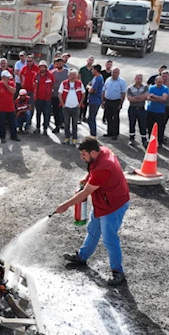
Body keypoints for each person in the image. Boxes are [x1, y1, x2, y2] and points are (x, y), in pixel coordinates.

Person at [56, 137, 130, 287]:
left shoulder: (103, 167)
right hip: (102, 202)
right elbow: (92, 172)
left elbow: (84, 194)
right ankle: (82, 257)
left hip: (113, 206)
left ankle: (118, 272)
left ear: (93, 152)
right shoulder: (103, 151)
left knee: (109, 239)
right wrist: (87, 177)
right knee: (93, 230)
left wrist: (65, 205)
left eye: (84, 154)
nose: (81, 157)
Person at [58, 69, 84, 145]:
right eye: (72, 75)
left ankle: (75, 138)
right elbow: (60, 94)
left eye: (75, 75)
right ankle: (67, 137)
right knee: (66, 123)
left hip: (76, 107)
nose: (74, 77)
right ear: (68, 76)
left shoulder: (79, 83)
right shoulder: (63, 83)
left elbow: (83, 94)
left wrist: (80, 103)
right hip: (66, 108)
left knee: (75, 123)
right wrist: (62, 104)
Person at [0, 70, 18, 144]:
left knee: (12, 123)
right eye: (7, 78)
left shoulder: (11, 83)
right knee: (2, 124)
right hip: (1, 108)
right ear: (3, 77)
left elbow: (13, 91)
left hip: (10, 107)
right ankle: (2, 137)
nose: (9, 79)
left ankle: (14, 136)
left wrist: (6, 85)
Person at [102, 68, 126, 139]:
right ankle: (109, 132)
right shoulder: (108, 80)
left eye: (116, 72)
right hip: (107, 100)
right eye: (113, 72)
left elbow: (123, 93)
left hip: (116, 101)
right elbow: (104, 90)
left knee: (115, 118)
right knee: (108, 116)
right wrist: (102, 101)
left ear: (118, 73)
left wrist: (121, 104)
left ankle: (115, 133)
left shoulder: (122, 81)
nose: (114, 74)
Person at [126, 73, 148, 146]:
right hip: (132, 108)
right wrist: (140, 98)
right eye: (138, 78)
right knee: (132, 123)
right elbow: (130, 99)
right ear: (135, 79)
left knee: (143, 124)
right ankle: (132, 139)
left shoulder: (145, 87)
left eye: (140, 79)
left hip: (141, 109)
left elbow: (146, 96)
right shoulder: (130, 88)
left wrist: (135, 97)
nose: (139, 80)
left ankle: (144, 140)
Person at [146, 76, 168, 144]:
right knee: (150, 126)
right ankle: (151, 140)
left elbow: (164, 99)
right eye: (158, 82)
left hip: (160, 111)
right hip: (151, 110)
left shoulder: (165, 88)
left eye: (161, 82)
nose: (160, 83)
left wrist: (154, 96)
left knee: (160, 127)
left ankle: (160, 141)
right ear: (155, 82)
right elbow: (149, 98)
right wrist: (159, 99)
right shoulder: (151, 88)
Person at [33, 61, 53, 135]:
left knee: (46, 114)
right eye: (41, 67)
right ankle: (37, 127)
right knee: (38, 114)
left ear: (46, 68)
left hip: (47, 99)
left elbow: (53, 84)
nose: (42, 68)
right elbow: (33, 84)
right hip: (38, 98)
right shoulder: (36, 75)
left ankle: (45, 128)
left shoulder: (50, 75)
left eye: (43, 67)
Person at [49, 58, 69, 133]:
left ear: (63, 63)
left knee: (65, 112)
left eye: (60, 63)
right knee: (56, 112)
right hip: (55, 95)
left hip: (65, 96)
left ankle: (66, 127)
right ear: (54, 65)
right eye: (57, 64)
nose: (58, 65)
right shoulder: (52, 73)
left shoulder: (67, 72)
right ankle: (57, 126)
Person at [86, 65, 104, 138]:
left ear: (96, 70)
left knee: (91, 118)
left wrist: (88, 87)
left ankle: (93, 135)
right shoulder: (96, 77)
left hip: (95, 101)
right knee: (91, 118)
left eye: (92, 69)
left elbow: (91, 90)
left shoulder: (98, 79)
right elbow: (90, 84)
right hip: (93, 100)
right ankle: (92, 134)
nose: (91, 71)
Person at [78, 56, 95, 121]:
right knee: (81, 101)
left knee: (87, 103)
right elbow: (78, 77)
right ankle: (79, 116)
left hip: (90, 89)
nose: (90, 61)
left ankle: (84, 116)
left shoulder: (93, 69)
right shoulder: (82, 69)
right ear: (87, 60)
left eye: (92, 60)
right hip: (82, 88)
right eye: (89, 60)